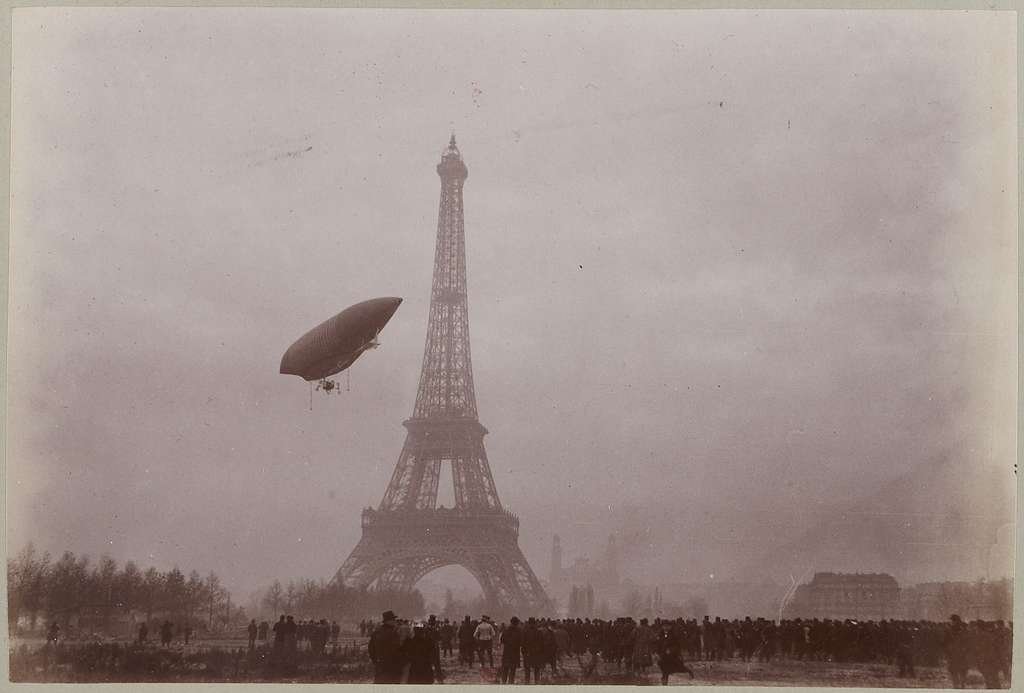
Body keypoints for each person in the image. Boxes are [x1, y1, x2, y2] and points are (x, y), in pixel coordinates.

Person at [368, 610, 405, 684]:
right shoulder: (393, 633)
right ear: (389, 621)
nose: (395, 621)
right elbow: (398, 650)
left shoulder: (377, 632)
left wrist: (375, 661)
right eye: (393, 619)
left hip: (380, 665)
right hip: (393, 666)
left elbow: (371, 649)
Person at [944, 615, 970, 689]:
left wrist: (947, 652)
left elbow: (945, 643)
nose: (950, 622)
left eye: (951, 621)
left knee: (954, 671)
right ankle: (961, 685)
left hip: (954, 654)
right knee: (962, 670)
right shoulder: (964, 630)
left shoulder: (949, 630)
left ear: (954, 621)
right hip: (961, 654)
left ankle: (957, 686)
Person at [500, 616, 524, 683]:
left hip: (506, 652)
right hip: (515, 652)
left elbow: (502, 640)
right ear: (516, 623)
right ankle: (511, 683)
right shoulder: (519, 631)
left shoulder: (506, 630)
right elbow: (521, 642)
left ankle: (503, 682)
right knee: (512, 670)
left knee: (505, 668)